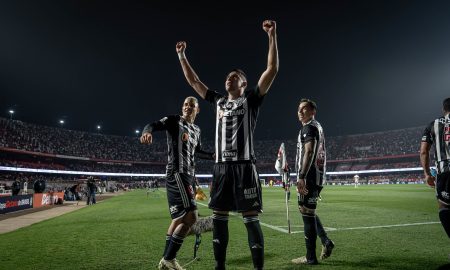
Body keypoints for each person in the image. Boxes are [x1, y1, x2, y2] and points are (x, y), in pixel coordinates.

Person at [176, 19, 278, 270]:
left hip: (244, 167)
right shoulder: (218, 101)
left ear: (244, 84)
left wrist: (272, 36)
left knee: (251, 220)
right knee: (219, 220)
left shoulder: (251, 100)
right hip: (221, 168)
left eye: (235, 77)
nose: (229, 78)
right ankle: (219, 266)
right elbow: (194, 82)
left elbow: (272, 69)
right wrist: (182, 56)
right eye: (228, 77)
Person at [140, 96, 213, 270]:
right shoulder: (174, 121)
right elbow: (154, 124)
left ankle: (166, 261)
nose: (188, 107)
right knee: (192, 216)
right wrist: (146, 132)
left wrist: (212, 156)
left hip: (188, 175)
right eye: (185, 104)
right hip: (177, 173)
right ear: (182, 107)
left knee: (178, 218)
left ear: (197, 109)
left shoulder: (197, 129)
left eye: (192, 105)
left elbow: (197, 152)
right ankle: (169, 258)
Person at [292, 99, 335, 265]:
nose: (300, 112)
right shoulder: (317, 126)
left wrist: (301, 176)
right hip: (315, 176)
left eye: (304, 109)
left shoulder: (309, 127)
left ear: (312, 111)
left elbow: (309, 152)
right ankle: (325, 241)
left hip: (309, 177)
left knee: (306, 213)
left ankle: (310, 258)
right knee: (305, 210)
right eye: (298, 109)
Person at [420, 97, 450, 253]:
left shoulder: (433, 124)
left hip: (445, 172)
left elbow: (424, 151)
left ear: (443, 109)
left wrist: (427, 174)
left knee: (445, 206)